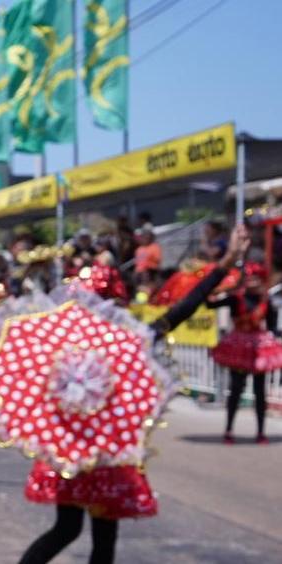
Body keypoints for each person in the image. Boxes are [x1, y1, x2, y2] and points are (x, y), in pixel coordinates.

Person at [17, 224, 250, 564]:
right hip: (81, 450)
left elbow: (183, 310)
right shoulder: (70, 345)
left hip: (100, 451)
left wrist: (227, 262)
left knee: (94, 536)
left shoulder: (128, 341)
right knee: (73, 531)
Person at [207, 261, 278, 444]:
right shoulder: (235, 298)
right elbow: (209, 304)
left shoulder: (266, 301)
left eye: (256, 278)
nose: (252, 281)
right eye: (250, 277)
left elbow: (272, 327)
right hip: (239, 348)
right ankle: (229, 429)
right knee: (236, 389)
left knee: (260, 391)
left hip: (259, 348)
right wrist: (213, 285)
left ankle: (260, 432)